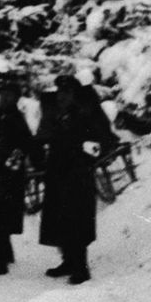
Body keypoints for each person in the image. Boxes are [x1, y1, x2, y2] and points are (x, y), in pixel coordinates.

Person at [38, 75, 116, 284]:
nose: (63, 96)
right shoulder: (54, 112)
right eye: (61, 92)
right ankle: (68, 261)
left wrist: (89, 152)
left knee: (77, 220)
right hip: (57, 172)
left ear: (75, 94)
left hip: (78, 174)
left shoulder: (87, 112)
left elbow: (105, 140)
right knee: (59, 219)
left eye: (68, 92)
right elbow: (44, 137)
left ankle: (81, 267)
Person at [0, 82, 39, 275]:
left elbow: (22, 148)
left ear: (16, 98)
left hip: (6, 179)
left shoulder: (15, 120)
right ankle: (3, 254)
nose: (4, 99)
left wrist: (4, 164)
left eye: (9, 96)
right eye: (3, 95)